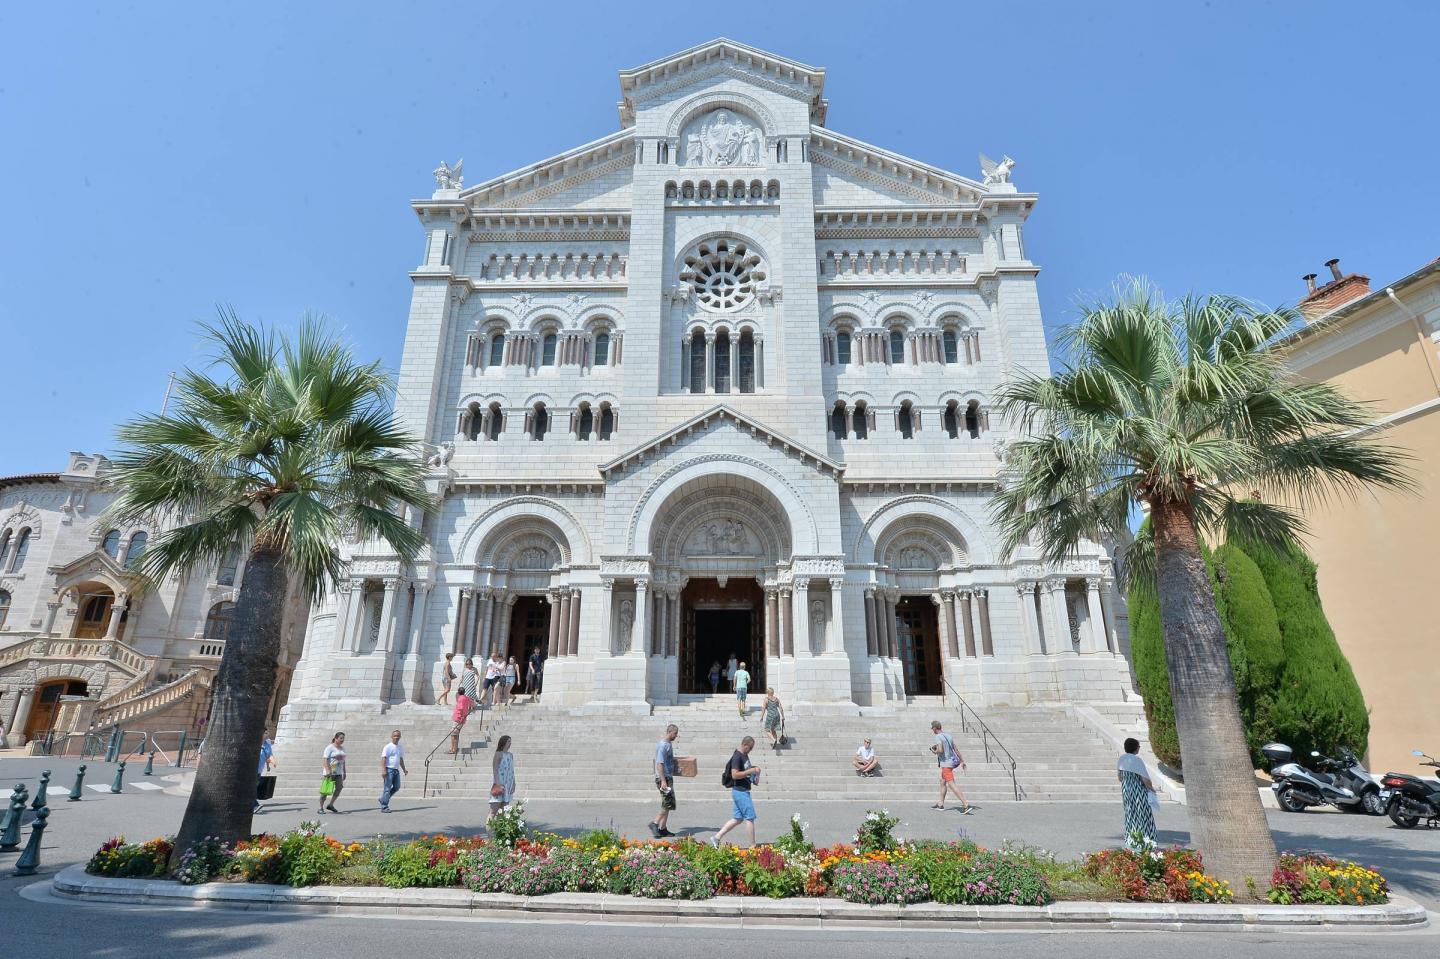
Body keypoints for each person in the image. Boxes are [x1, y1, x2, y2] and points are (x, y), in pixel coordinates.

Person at [713, 735, 762, 847]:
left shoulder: (744, 755)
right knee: (750, 818)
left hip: (742, 791)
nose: (751, 750)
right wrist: (750, 770)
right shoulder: (737, 756)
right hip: (740, 792)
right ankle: (753, 845)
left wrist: (755, 771)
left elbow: (746, 771)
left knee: (738, 819)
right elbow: (735, 775)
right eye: (750, 748)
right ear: (744, 745)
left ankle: (716, 837)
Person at [1118, 737, 1160, 849]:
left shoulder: (1121, 759)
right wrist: (1152, 789)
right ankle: (1147, 842)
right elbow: (1145, 779)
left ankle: (1132, 841)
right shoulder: (1137, 760)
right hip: (1138, 792)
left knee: (1130, 816)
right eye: (1139, 746)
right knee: (1144, 816)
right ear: (1135, 748)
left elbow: (1120, 777)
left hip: (1127, 791)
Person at [930, 720, 971, 813]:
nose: (932, 730)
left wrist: (934, 751)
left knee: (951, 785)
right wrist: (962, 761)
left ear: (935, 728)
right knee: (942, 781)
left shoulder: (938, 737)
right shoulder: (948, 736)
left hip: (946, 764)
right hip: (951, 763)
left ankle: (966, 805)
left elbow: (940, 750)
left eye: (932, 728)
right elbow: (955, 749)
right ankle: (940, 804)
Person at [650, 723, 680, 838]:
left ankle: (663, 828)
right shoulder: (663, 745)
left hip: (668, 777)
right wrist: (663, 780)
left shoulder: (668, 744)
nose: (676, 736)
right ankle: (655, 823)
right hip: (663, 778)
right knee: (667, 803)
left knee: (669, 804)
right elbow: (660, 763)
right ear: (670, 732)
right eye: (675, 733)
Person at [379, 729, 407, 813]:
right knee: (387, 788)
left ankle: (383, 799)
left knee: (397, 787)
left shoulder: (400, 747)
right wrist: (384, 770)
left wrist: (404, 769)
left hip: (396, 770)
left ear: (400, 737)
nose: (396, 737)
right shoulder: (388, 746)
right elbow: (384, 758)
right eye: (395, 736)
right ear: (391, 737)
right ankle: (384, 806)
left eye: (398, 736)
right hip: (389, 769)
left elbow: (401, 759)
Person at [489, 734, 515, 821]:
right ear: (503, 742)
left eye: (510, 741)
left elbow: (512, 770)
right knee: (493, 811)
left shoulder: (510, 755)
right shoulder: (498, 754)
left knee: (503, 812)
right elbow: (495, 770)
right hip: (499, 785)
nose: (510, 743)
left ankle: (498, 832)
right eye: (508, 741)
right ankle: (490, 833)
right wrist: (498, 784)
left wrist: (514, 783)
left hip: (508, 786)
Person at [319, 731, 346, 815]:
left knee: (339, 787)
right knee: (325, 791)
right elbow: (325, 759)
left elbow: (343, 761)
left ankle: (331, 805)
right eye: (341, 738)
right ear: (336, 738)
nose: (342, 740)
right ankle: (320, 808)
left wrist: (344, 771)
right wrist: (327, 770)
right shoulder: (330, 747)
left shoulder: (342, 748)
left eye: (343, 738)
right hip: (329, 773)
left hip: (338, 772)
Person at [449, 688, 474, 755]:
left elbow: (461, 708)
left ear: (458, 692)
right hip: (462, 718)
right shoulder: (467, 698)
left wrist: (462, 716)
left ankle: (453, 749)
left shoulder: (461, 698)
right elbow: (473, 703)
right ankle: (455, 748)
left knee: (453, 734)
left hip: (458, 718)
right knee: (456, 734)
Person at [255, 730, 275, 812]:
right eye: (266, 733)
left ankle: (253, 805)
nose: (268, 734)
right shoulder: (255, 743)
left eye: (268, 733)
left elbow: (268, 756)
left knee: (254, 788)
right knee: (252, 789)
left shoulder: (267, 745)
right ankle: (255, 805)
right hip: (251, 771)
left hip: (259, 771)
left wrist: (270, 764)